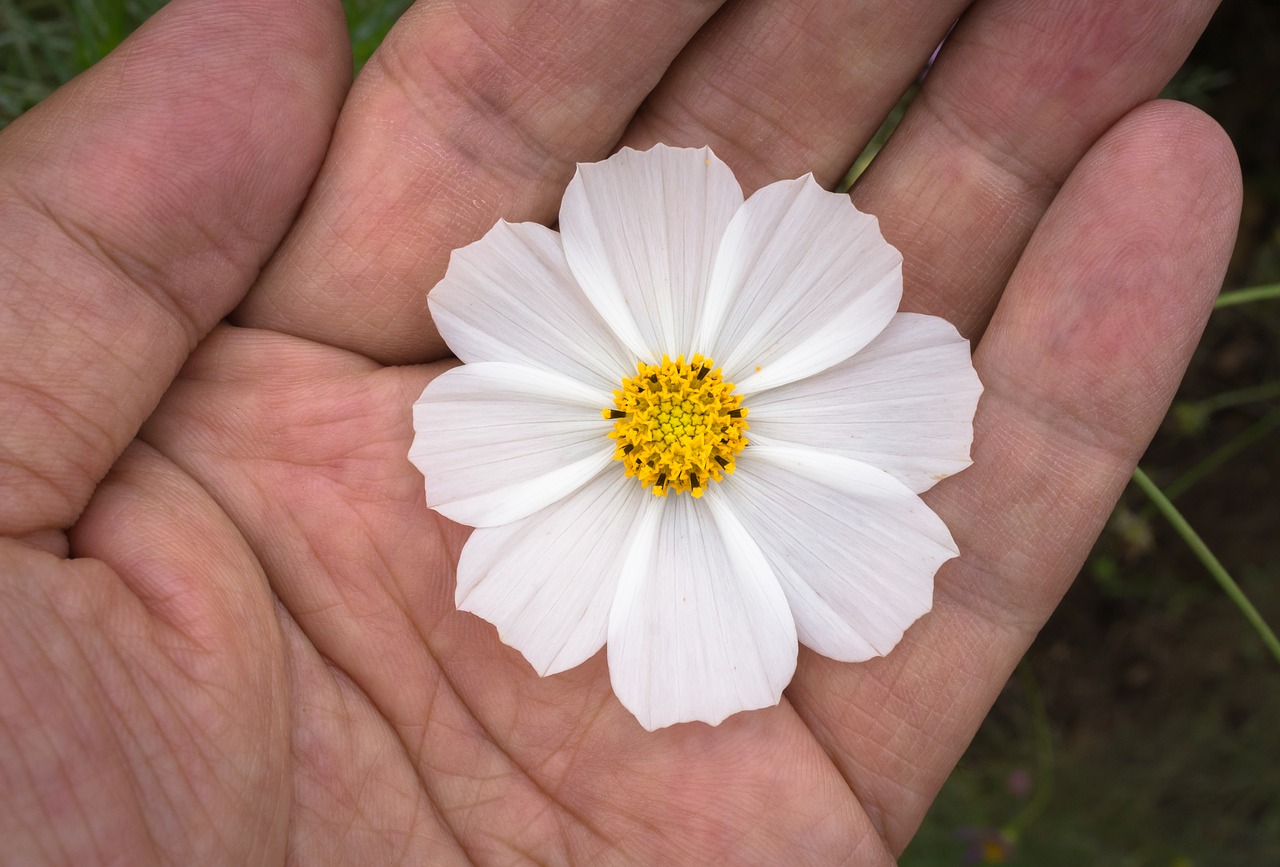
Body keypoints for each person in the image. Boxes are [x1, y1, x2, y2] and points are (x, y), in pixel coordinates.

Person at [0, 0, 1240, 863]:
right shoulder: (523, 378)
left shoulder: (833, 374)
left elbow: (887, 419)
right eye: (670, 418)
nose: (682, 419)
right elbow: (491, 404)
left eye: (684, 418)